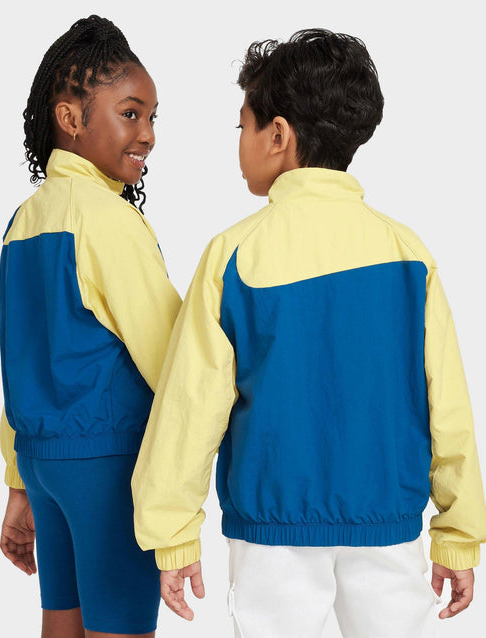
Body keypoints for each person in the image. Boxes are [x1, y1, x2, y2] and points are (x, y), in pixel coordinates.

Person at [131, 28, 486, 637]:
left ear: (278, 135)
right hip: (387, 526)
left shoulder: (234, 255)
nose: (239, 141)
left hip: (272, 536)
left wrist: (173, 531)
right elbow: (447, 405)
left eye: (242, 126)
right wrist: (459, 533)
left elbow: (190, 405)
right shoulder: (408, 255)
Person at [0, 15, 181, 638]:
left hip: (44, 465)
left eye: (152, 117)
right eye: (131, 114)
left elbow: (19, 365)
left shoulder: (22, 222)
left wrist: (18, 484)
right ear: (71, 118)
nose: (147, 134)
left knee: (62, 620)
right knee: (120, 626)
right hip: (106, 465)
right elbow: (173, 360)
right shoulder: (107, 220)